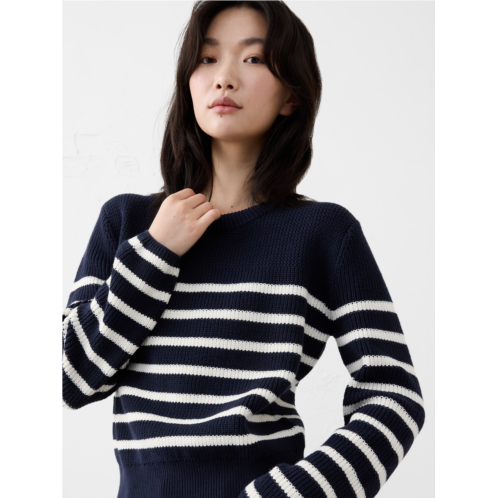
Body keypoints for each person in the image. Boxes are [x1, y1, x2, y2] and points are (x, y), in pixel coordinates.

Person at [62, 1, 425, 497]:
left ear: (291, 96)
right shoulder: (128, 222)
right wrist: (154, 253)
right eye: (207, 58)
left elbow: (394, 397)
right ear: (188, 80)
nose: (224, 78)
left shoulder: (323, 232)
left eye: (253, 58)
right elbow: (74, 378)